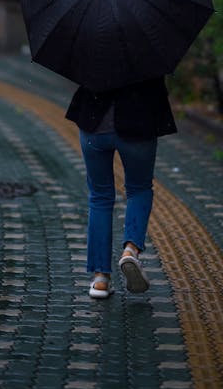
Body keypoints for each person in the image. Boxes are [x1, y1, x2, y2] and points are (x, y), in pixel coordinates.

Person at [65, 76, 177, 298]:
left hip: (94, 122)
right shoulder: (148, 42)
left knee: (100, 197)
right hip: (138, 123)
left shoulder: (90, 40)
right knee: (139, 189)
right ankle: (131, 250)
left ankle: (100, 280)